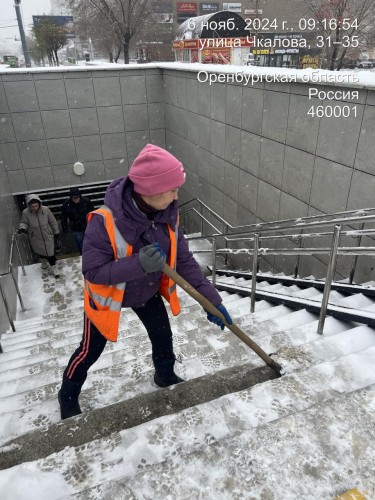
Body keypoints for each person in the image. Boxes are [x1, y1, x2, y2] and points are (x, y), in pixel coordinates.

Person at [58, 144, 233, 420]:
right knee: (89, 351)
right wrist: (137, 264)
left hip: (146, 291)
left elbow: (184, 260)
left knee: (162, 335)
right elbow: (93, 271)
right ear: (151, 190)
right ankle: (67, 394)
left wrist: (211, 300)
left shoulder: (169, 214)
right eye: (173, 188)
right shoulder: (103, 222)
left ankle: (164, 375)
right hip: (108, 296)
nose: (178, 194)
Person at [18, 194, 61, 278]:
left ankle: (53, 268)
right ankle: (44, 261)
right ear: (29, 205)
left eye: (36, 206)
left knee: (50, 253)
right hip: (35, 235)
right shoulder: (25, 213)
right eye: (32, 206)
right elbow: (24, 222)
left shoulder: (46, 210)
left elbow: (53, 221)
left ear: (39, 204)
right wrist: (22, 228)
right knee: (40, 250)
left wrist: (56, 231)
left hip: (47, 234)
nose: (34, 208)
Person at [61, 187, 94, 255]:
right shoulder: (66, 204)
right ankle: (83, 254)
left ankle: (92, 253)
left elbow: (93, 212)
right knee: (80, 242)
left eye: (77, 197)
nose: (76, 199)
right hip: (76, 227)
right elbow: (63, 217)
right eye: (74, 198)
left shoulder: (86, 201)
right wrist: (64, 228)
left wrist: (94, 224)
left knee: (90, 241)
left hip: (87, 225)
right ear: (71, 197)